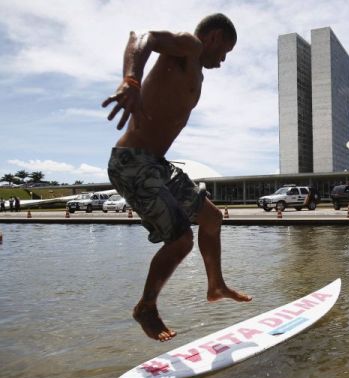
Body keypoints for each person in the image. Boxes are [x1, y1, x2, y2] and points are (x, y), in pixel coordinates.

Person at [103, 13, 251, 342]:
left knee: (211, 218)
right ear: (212, 38)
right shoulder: (189, 45)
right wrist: (131, 80)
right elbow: (142, 35)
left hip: (156, 163)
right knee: (181, 239)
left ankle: (215, 284)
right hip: (132, 162)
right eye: (225, 52)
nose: (223, 61)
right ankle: (147, 308)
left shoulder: (195, 69)